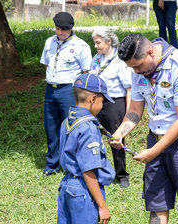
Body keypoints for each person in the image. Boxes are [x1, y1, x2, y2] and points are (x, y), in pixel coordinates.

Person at [110, 33, 178, 224]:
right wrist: (120, 133)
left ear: (150, 52)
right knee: (156, 200)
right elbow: (135, 110)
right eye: (132, 68)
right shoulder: (138, 72)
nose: (136, 72)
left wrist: (152, 152)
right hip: (155, 138)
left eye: (138, 66)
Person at [57, 73, 116, 224]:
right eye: (102, 101)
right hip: (83, 191)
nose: (102, 106)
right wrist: (102, 206)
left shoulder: (67, 121)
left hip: (66, 185)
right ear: (93, 99)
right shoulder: (89, 128)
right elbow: (88, 170)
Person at [40, 12, 92, 176]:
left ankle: (71, 164)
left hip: (68, 90)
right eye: (58, 29)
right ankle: (52, 164)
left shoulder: (80, 46)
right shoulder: (49, 42)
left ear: (71, 29)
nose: (61, 32)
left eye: (64, 30)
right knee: (51, 127)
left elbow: (86, 72)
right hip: (51, 89)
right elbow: (47, 65)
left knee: (70, 127)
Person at [90, 27, 132, 188]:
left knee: (116, 138)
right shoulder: (96, 58)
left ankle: (122, 175)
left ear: (109, 41)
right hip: (96, 101)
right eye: (95, 42)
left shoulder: (120, 60)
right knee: (93, 137)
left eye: (98, 42)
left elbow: (129, 88)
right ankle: (99, 172)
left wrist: (128, 112)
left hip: (114, 103)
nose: (96, 46)